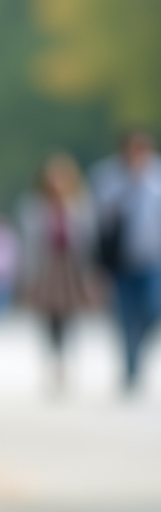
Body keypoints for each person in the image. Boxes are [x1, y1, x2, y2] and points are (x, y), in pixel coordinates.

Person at [16, 153, 99, 391]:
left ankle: (64, 359)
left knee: (69, 316)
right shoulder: (33, 206)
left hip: (71, 267)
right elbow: (29, 244)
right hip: (46, 267)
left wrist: (91, 274)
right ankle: (53, 358)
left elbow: (88, 242)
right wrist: (27, 276)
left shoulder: (79, 205)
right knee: (48, 317)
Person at [89, 130, 161, 392]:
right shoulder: (107, 178)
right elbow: (99, 222)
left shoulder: (157, 177)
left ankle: (138, 351)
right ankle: (130, 366)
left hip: (153, 259)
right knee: (124, 317)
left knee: (153, 310)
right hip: (120, 262)